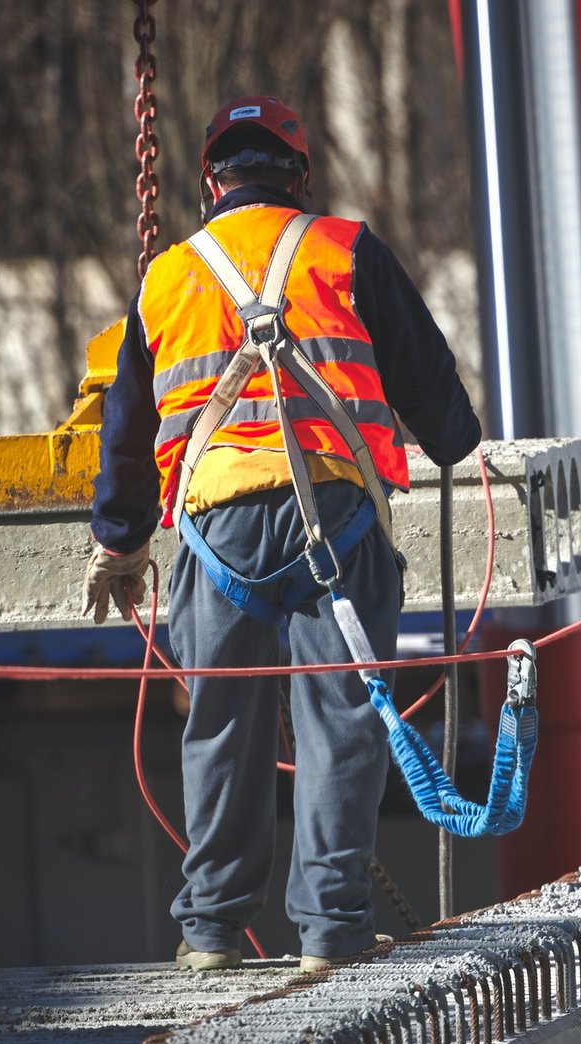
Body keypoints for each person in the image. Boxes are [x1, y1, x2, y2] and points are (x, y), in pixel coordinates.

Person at [82, 95, 481, 972]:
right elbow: (436, 399)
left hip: (217, 534)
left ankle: (212, 933)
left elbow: (125, 427)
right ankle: (332, 936)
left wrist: (120, 540)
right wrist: (455, 438)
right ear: (298, 177)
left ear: (208, 184)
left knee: (221, 727)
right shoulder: (346, 250)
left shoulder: (170, 277)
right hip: (336, 526)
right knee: (341, 726)